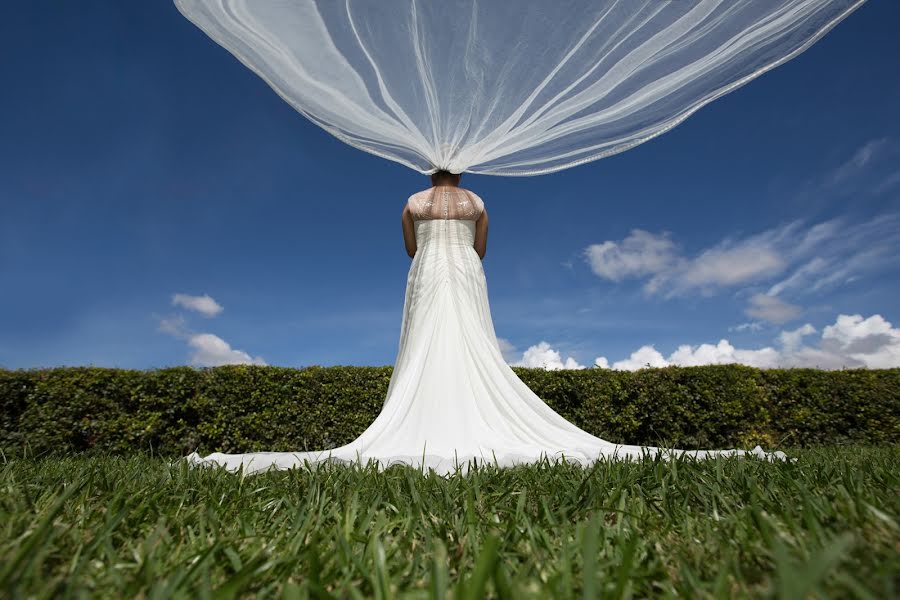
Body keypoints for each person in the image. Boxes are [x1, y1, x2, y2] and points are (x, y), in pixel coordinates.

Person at [184, 170, 788, 477]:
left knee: (425, 336)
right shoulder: (477, 203)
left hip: (427, 269)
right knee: (468, 331)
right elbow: (482, 248)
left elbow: (407, 248)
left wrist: (432, 257)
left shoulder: (412, 204)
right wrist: (459, 259)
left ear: (428, 174)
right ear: (462, 172)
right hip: (464, 269)